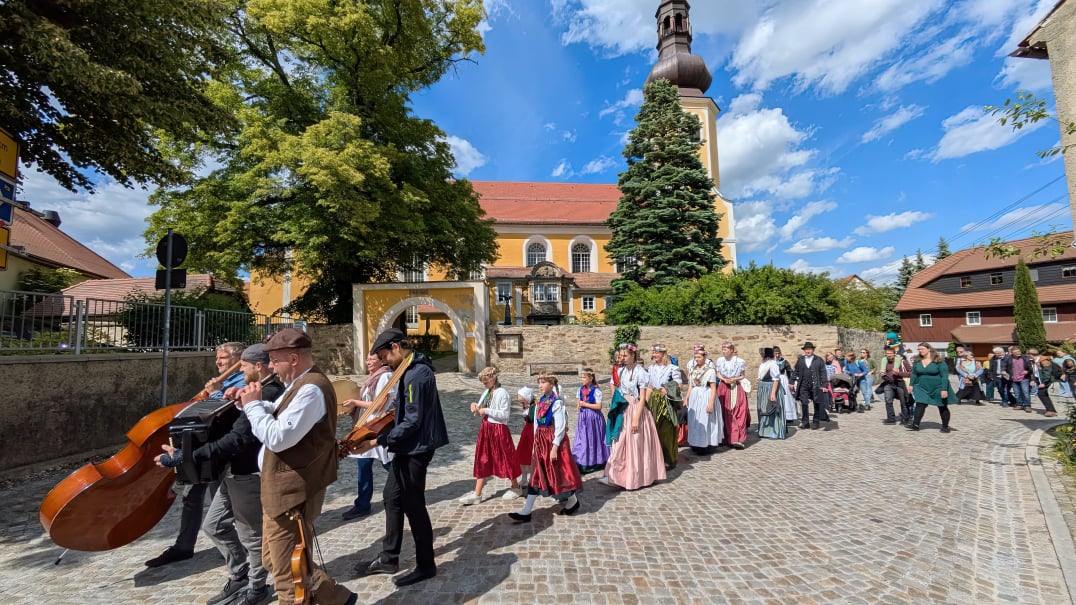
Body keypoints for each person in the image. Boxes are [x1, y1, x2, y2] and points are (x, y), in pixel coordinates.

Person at [154, 344, 281, 605]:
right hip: (231, 471)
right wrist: (226, 399)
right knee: (214, 526)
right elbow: (223, 424)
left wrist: (186, 457)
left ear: (258, 366)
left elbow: (237, 438)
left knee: (251, 536)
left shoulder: (268, 391)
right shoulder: (252, 390)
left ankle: (257, 588)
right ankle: (240, 574)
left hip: (248, 472)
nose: (240, 370)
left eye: (243, 366)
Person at [236, 329, 355, 604]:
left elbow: (278, 437)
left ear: (292, 359)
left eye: (274, 361)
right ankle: (337, 597)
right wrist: (249, 403)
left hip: (292, 492)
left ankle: (330, 597)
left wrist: (253, 407)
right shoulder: (299, 384)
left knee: (287, 577)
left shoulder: (311, 389)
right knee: (274, 559)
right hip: (279, 488)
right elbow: (279, 412)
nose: (270, 367)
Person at [357, 329, 448, 587]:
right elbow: (404, 410)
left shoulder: (417, 374)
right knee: (391, 496)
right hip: (407, 446)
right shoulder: (407, 369)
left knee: (414, 505)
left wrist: (376, 441)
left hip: (417, 448)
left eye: (385, 356)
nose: (384, 362)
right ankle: (389, 557)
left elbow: (412, 420)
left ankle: (426, 566)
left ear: (396, 347)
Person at [145, 341, 246, 568]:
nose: (218, 362)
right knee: (191, 495)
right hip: (201, 445)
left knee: (220, 497)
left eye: (222, 358)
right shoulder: (223, 381)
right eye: (217, 358)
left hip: (221, 448)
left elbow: (229, 411)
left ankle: (234, 546)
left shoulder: (244, 380)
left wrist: (215, 393)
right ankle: (184, 546)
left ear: (238, 359)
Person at [508, 373, 584, 522]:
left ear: (551, 384)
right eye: (539, 382)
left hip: (553, 441)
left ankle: (573, 500)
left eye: (543, 382)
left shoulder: (557, 403)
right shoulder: (540, 402)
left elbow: (560, 427)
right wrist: (535, 443)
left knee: (558, 474)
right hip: (541, 441)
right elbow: (536, 424)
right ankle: (526, 511)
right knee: (537, 473)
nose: (540, 385)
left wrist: (555, 447)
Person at [600, 343, 666, 490]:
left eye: (625, 355)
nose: (622, 358)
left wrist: (636, 418)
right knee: (618, 442)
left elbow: (642, 398)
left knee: (635, 443)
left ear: (632, 355)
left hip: (635, 409)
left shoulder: (640, 372)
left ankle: (636, 477)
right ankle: (615, 475)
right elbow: (618, 390)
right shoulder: (621, 371)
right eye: (621, 355)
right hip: (623, 408)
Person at [339, 352, 395, 520]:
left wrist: (356, 402)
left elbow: (379, 406)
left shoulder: (385, 377)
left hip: (378, 427)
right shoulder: (372, 377)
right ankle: (362, 505)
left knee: (390, 464)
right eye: (367, 359)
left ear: (382, 361)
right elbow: (366, 402)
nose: (368, 362)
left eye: (372, 359)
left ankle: (410, 488)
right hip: (365, 426)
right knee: (363, 465)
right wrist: (351, 408)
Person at [459, 367, 520, 505]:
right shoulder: (487, 392)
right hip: (486, 428)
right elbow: (481, 407)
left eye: (486, 382)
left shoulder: (502, 393)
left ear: (493, 379)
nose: (484, 385)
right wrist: (475, 406)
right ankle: (477, 494)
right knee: (482, 458)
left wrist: (486, 410)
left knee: (506, 458)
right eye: (483, 383)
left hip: (498, 429)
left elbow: (504, 415)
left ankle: (516, 487)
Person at [643, 344, 681, 469]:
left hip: (666, 402)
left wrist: (668, 388)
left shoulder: (672, 368)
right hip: (654, 401)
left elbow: (679, 384)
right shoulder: (651, 368)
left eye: (656, 353)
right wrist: (644, 404)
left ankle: (669, 459)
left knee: (666, 430)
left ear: (663, 354)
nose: (654, 355)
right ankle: (656, 458)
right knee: (654, 429)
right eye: (653, 353)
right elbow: (649, 387)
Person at [572, 368, 609, 475]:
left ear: (591, 378)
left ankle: (595, 461)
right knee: (582, 439)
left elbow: (599, 406)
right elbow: (578, 400)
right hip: (583, 418)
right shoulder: (580, 389)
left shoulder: (596, 390)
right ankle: (581, 461)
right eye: (581, 377)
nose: (582, 379)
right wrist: (579, 404)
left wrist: (585, 404)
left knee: (593, 439)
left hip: (594, 418)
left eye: (584, 377)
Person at [908, 342, 952, 433]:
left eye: (922, 349)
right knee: (920, 404)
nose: (920, 351)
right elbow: (914, 374)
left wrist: (944, 389)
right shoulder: (917, 361)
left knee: (942, 405)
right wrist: (911, 384)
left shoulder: (939, 361)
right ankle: (915, 424)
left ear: (929, 349)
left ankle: (945, 426)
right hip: (921, 386)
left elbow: (944, 376)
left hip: (937, 387)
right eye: (919, 349)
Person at [684, 347, 721, 454]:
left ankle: (706, 443)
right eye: (695, 357)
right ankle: (695, 443)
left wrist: (711, 403)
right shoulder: (693, 369)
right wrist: (686, 398)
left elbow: (713, 387)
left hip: (706, 394)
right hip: (695, 396)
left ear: (704, 357)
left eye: (699, 357)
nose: (697, 359)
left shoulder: (710, 371)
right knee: (695, 420)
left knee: (705, 420)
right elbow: (691, 385)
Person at [716, 343, 750, 449]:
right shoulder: (720, 360)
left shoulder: (740, 361)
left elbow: (742, 375)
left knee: (739, 410)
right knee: (724, 410)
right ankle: (725, 437)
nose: (723, 351)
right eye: (723, 349)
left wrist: (734, 379)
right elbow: (718, 373)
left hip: (736, 386)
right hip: (723, 386)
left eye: (725, 349)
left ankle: (737, 438)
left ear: (731, 350)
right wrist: (724, 379)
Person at [793, 342, 829, 430]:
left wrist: (824, 385)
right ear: (804, 350)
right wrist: (791, 381)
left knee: (816, 403)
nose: (808, 351)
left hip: (816, 385)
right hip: (803, 385)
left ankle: (816, 421)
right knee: (804, 402)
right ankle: (805, 422)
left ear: (813, 350)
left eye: (810, 349)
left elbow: (823, 373)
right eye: (806, 349)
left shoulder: (819, 360)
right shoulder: (801, 360)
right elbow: (796, 371)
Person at [756, 348, 786, 440]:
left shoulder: (772, 364)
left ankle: (775, 431)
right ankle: (764, 430)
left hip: (771, 387)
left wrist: (773, 393)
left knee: (772, 408)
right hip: (763, 388)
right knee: (763, 408)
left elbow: (776, 380)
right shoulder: (763, 363)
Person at [879, 347, 912, 425]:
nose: (889, 355)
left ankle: (905, 419)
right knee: (888, 401)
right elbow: (885, 372)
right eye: (887, 353)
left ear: (894, 354)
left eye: (890, 353)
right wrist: (882, 374)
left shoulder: (902, 361)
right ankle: (891, 419)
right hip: (888, 383)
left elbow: (911, 372)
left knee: (903, 402)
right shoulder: (884, 361)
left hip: (900, 383)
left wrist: (899, 373)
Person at [515, 386, 537, 491]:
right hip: (527, 431)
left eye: (522, 401)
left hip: (533, 431)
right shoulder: (527, 406)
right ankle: (524, 478)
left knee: (531, 455)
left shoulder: (534, 407)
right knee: (523, 454)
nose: (521, 404)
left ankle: (533, 478)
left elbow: (532, 418)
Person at [1000, 345, 1033, 412]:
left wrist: (1027, 371)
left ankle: (1027, 405)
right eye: (1015, 352)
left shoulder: (1025, 358)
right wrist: (1003, 370)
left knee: (1026, 393)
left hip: (1024, 378)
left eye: (1018, 351)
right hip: (1014, 378)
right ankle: (1019, 404)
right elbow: (1004, 366)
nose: (1018, 353)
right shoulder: (1008, 358)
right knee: (1017, 393)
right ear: (1012, 353)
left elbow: (1030, 367)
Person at [773, 346, 798, 424]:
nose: (777, 355)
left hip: (782, 380)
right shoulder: (770, 362)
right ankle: (775, 415)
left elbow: (790, 372)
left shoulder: (784, 361)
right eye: (775, 354)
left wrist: (791, 382)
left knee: (785, 397)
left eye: (778, 353)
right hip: (772, 381)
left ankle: (788, 417)